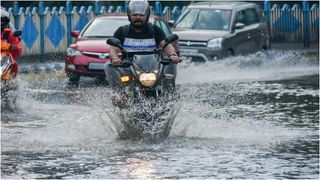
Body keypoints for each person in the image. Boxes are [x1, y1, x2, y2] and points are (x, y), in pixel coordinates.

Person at [105, 0, 179, 104]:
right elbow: (113, 49)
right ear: (129, 16)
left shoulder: (154, 30)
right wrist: (115, 59)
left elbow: (165, 45)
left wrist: (173, 55)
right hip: (128, 68)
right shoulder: (122, 31)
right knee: (108, 66)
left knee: (171, 64)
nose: (138, 17)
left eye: (141, 15)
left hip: (154, 68)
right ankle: (120, 94)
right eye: (135, 15)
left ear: (147, 15)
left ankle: (169, 94)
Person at [1, 7, 23, 76]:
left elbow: (17, 43)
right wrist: (8, 46)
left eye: (4, 22)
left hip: (4, 55)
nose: (2, 24)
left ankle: (12, 81)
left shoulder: (10, 30)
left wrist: (16, 47)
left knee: (14, 64)